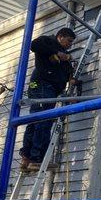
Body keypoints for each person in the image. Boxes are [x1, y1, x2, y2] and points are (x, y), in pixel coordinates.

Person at [19, 27, 76, 169]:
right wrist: (57, 53)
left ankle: (27, 157)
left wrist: (71, 79)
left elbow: (65, 71)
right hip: (41, 85)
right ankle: (36, 159)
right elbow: (34, 45)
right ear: (60, 36)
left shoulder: (64, 54)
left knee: (35, 120)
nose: (70, 44)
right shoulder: (48, 41)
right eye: (69, 41)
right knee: (44, 120)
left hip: (47, 88)